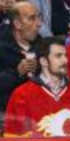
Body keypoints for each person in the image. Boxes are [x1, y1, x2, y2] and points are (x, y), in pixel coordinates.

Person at [4, 36, 70, 137]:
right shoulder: (21, 95)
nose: (65, 60)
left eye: (65, 55)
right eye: (59, 56)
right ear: (43, 61)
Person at [0, 1, 42, 132]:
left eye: (39, 17)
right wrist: (17, 72)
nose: (39, 24)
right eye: (32, 18)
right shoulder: (2, 47)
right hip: (6, 112)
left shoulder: (42, 45)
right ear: (17, 24)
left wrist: (40, 68)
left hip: (40, 110)